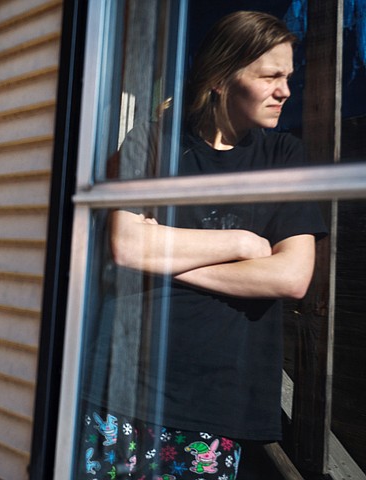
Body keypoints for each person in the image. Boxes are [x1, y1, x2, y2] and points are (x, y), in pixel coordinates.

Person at [78, 11, 327, 479]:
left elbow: (291, 277)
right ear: (219, 78)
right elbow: (127, 246)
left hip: (214, 401)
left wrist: (165, 256)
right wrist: (239, 242)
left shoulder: (283, 158)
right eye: (271, 76)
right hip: (124, 386)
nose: (285, 91)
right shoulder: (153, 142)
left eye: (288, 77)